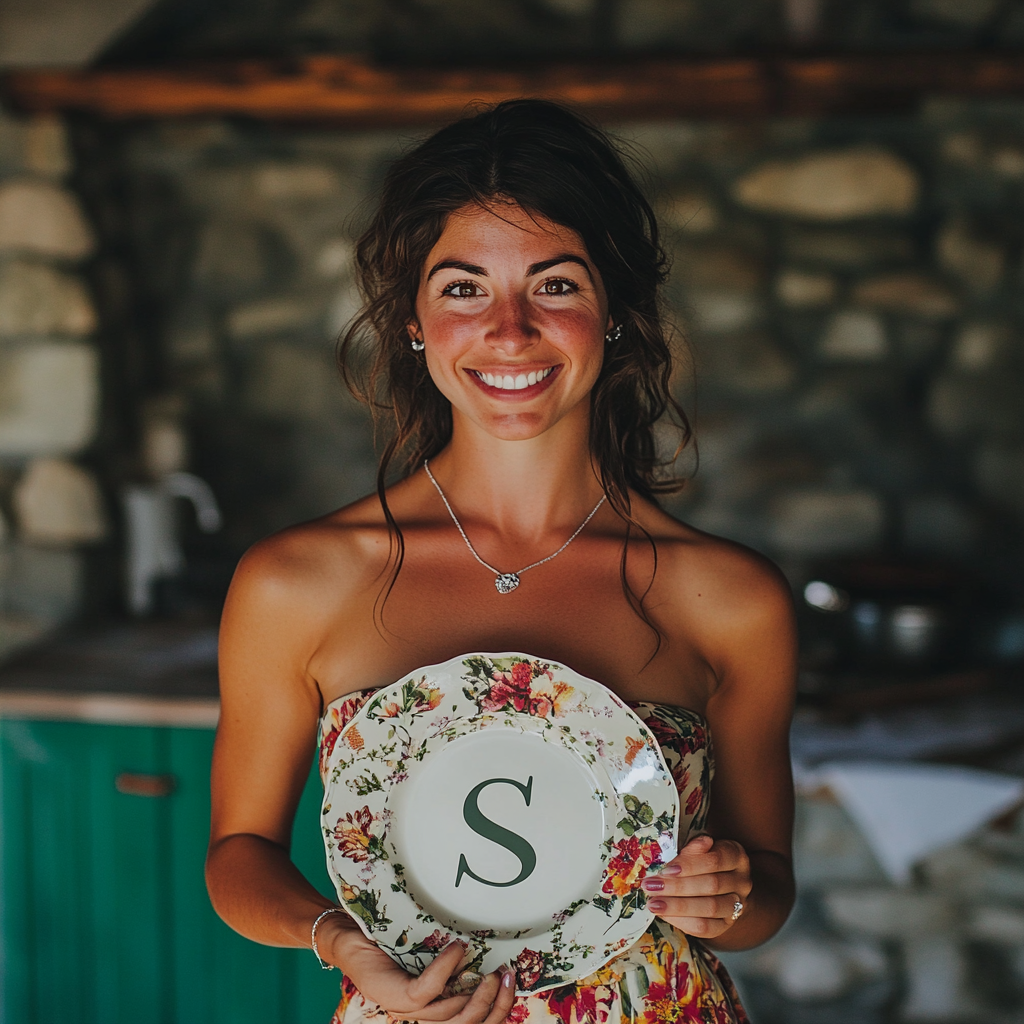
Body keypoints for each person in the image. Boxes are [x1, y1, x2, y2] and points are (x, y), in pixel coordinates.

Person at [207, 99, 796, 1024]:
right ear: (414, 319)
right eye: (463, 287)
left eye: (555, 285)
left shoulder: (728, 597)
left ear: (617, 313)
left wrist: (728, 894)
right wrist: (343, 942)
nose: (510, 330)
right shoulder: (297, 580)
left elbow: (765, 899)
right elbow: (238, 852)